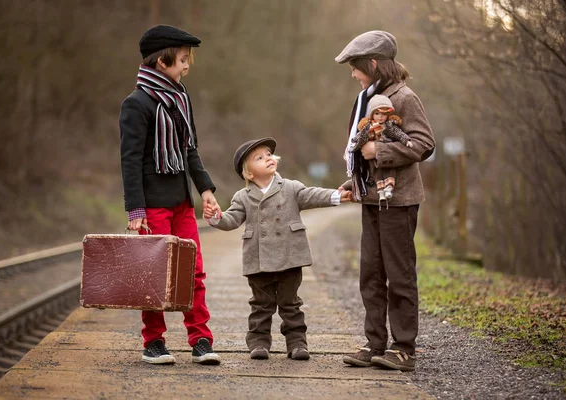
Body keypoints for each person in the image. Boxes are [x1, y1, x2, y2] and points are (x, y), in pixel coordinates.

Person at [119, 24, 222, 365]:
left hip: (181, 202)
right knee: (154, 274)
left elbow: (190, 149)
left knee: (193, 271)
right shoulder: (136, 104)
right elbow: (130, 160)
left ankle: (201, 339)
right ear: (161, 62)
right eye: (182, 59)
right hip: (151, 206)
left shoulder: (181, 97)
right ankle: (154, 342)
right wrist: (136, 211)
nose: (187, 65)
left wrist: (205, 190)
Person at [335, 31, 435, 371]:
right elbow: (363, 148)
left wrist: (382, 151)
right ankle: (375, 344)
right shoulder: (367, 99)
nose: (353, 74)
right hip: (371, 200)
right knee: (371, 274)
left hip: (400, 200)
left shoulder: (403, 97)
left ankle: (403, 347)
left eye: (356, 67)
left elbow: (423, 143)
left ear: (374, 64)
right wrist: (356, 180)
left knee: (399, 274)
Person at [203, 137, 352, 361]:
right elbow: (232, 219)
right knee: (261, 305)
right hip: (258, 259)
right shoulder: (242, 197)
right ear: (249, 173)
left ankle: (297, 343)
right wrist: (216, 217)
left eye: (269, 155)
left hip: (289, 255)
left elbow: (311, 195)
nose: (268, 158)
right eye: (259, 158)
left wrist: (337, 196)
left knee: (290, 303)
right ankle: (259, 342)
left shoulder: (291, 188)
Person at [351, 94, 412, 207]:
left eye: (384, 114)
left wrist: (406, 140)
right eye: (377, 113)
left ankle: (389, 188)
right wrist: (354, 143)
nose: (380, 117)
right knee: (376, 171)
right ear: (372, 114)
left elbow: (398, 134)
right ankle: (381, 191)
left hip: (387, 151)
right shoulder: (369, 127)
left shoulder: (389, 126)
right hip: (373, 158)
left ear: (388, 115)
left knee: (390, 170)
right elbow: (360, 136)